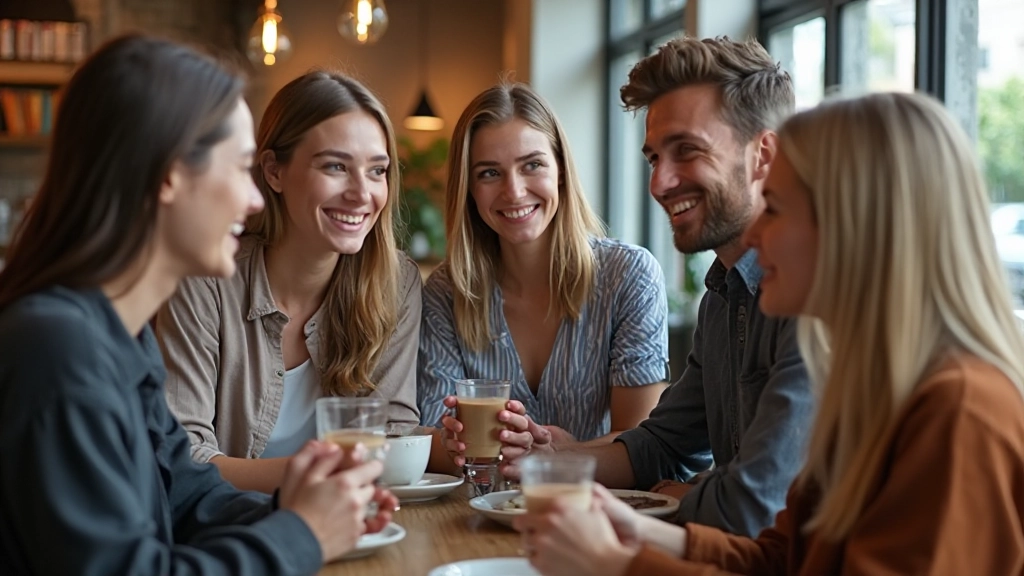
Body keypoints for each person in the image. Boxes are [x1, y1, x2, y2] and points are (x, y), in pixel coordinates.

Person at [517, 91, 1024, 576]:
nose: (755, 236)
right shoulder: (875, 390)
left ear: (855, 227)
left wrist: (621, 565)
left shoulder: (959, 409)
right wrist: (640, 531)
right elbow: (785, 560)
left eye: (775, 208)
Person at [0, 35, 396, 575]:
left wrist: (305, 510)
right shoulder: (59, 350)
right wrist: (300, 535)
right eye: (239, 168)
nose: (255, 198)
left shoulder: (116, 332)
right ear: (167, 175)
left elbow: (186, 495)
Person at [501, 36, 814, 537]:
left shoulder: (813, 297)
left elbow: (754, 508)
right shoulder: (721, 297)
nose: (660, 183)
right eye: (653, 159)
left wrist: (679, 496)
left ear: (764, 155)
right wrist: (557, 455)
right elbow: (663, 445)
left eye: (686, 150)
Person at [156, 70, 422, 494]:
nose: (361, 193)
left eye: (377, 171)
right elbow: (184, 459)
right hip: (230, 534)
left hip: (355, 526)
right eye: (335, 166)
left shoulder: (396, 282)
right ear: (273, 172)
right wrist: (322, 476)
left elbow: (392, 434)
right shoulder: (206, 280)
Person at [417, 82, 670, 472]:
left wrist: (557, 453)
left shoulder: (628, 276)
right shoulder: (447, 291)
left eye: (532, 165)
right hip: (476, 516)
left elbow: (646, 440)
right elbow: (433, 439)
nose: (514, 191)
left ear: (562, 171)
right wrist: (459, 443)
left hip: (595, 513)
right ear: (469, 189)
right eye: (489, 173)